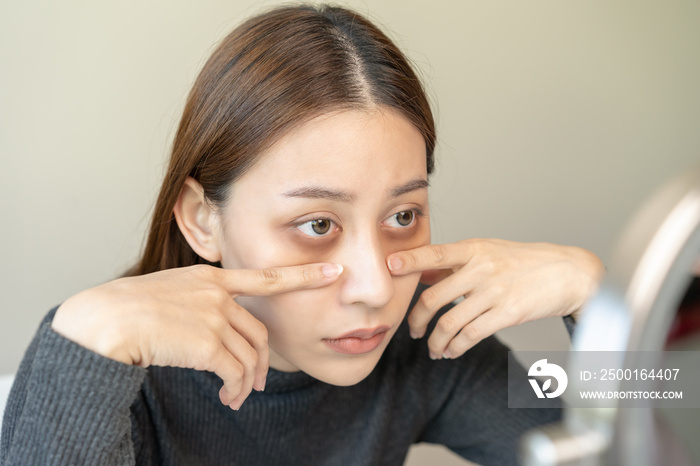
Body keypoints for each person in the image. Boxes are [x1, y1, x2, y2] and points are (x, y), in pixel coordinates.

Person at [0, 4, 603, 466]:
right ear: (202, 218)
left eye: (402, 217)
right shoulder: (107, 362)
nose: (374, 288)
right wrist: (83, 343)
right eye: (318, 225)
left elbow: (651, 446)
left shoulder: (422, 341)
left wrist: (602, 300)